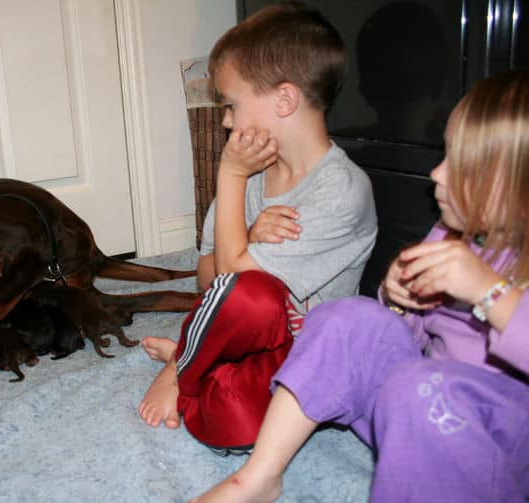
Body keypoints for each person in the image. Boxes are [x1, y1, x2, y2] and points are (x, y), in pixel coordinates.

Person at [191, 69, 529, 502]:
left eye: (462, 164)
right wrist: (400, 299)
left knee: (424, 386)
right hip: (419, 417)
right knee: (346, 318)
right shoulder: (450, 236)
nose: (437, 173)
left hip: (500, 446)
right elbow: (402, 340)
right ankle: (259, 477)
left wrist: (491, 292)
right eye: (445, 155)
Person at [138, 1, 377, 453]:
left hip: (305, 355)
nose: (225, 120)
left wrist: (229, 176)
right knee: (250, 297)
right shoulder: (246, 180)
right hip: (241, 333)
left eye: (230, 105)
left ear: (284, 100)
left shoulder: (342, 191)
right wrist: (244, 231)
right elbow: (210, 282)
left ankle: (186, 364)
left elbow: (234, 283)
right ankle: (192, 364)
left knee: (234, 428)